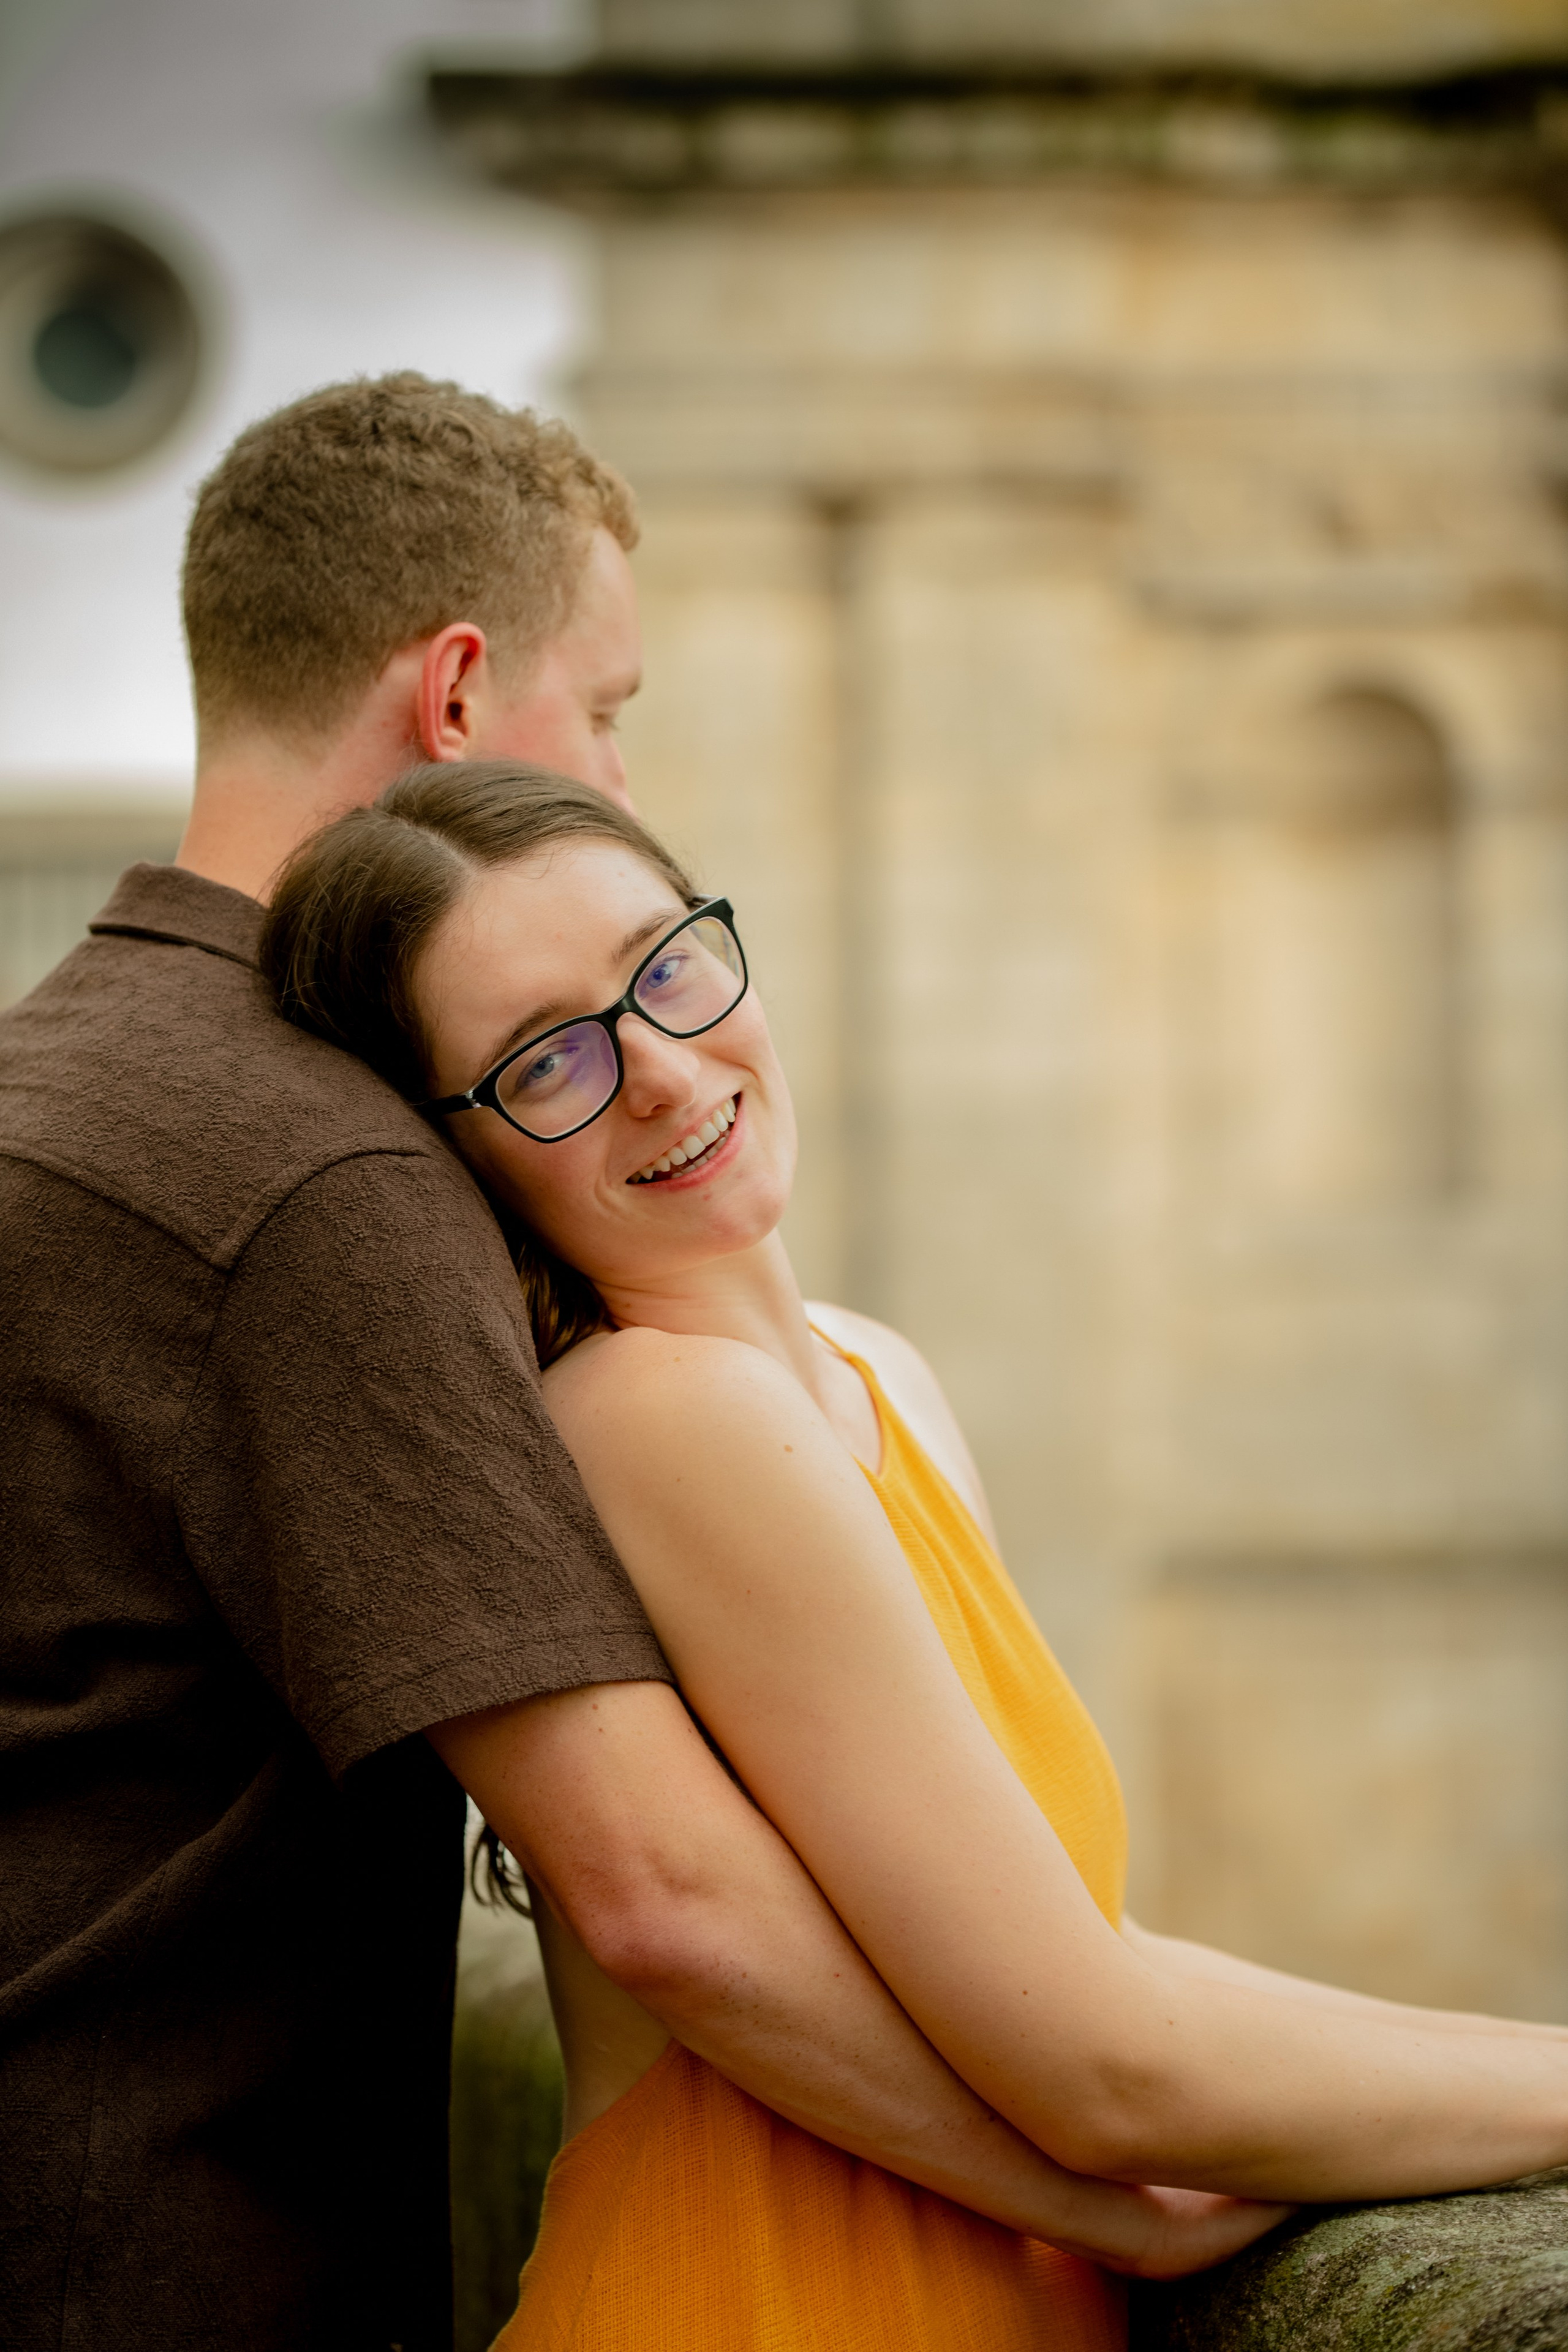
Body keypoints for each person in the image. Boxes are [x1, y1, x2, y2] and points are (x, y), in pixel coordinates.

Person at [0, 372, 1261, 2352]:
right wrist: (1082, 2181)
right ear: (457, 695)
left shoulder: (59, 1076)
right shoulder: (321, 1162)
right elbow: (661, 1890)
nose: (617, 776)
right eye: (610, 716)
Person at [262, 756, 1568, 2351]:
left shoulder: (874, 1375)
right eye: (548, 1063)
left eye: (666, 969)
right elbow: (1111, 2070)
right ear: (461, 1158)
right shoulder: (666, 1421)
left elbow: (1072, 1965)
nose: (663, 1070)